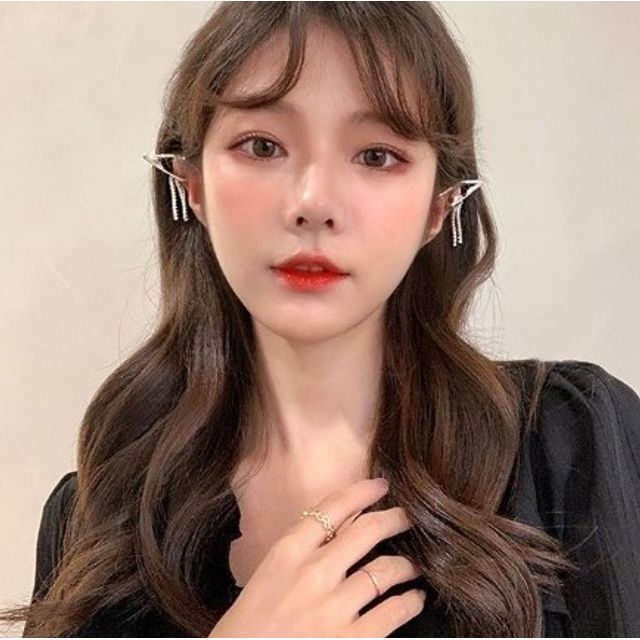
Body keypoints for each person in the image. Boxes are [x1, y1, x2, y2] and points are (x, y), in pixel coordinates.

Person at [2, 2, 639, 637]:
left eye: (377, 156)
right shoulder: (98, 519)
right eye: (262, 146)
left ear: (440, 205)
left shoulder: (573, 442)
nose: (313, 203)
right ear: (191, 183)